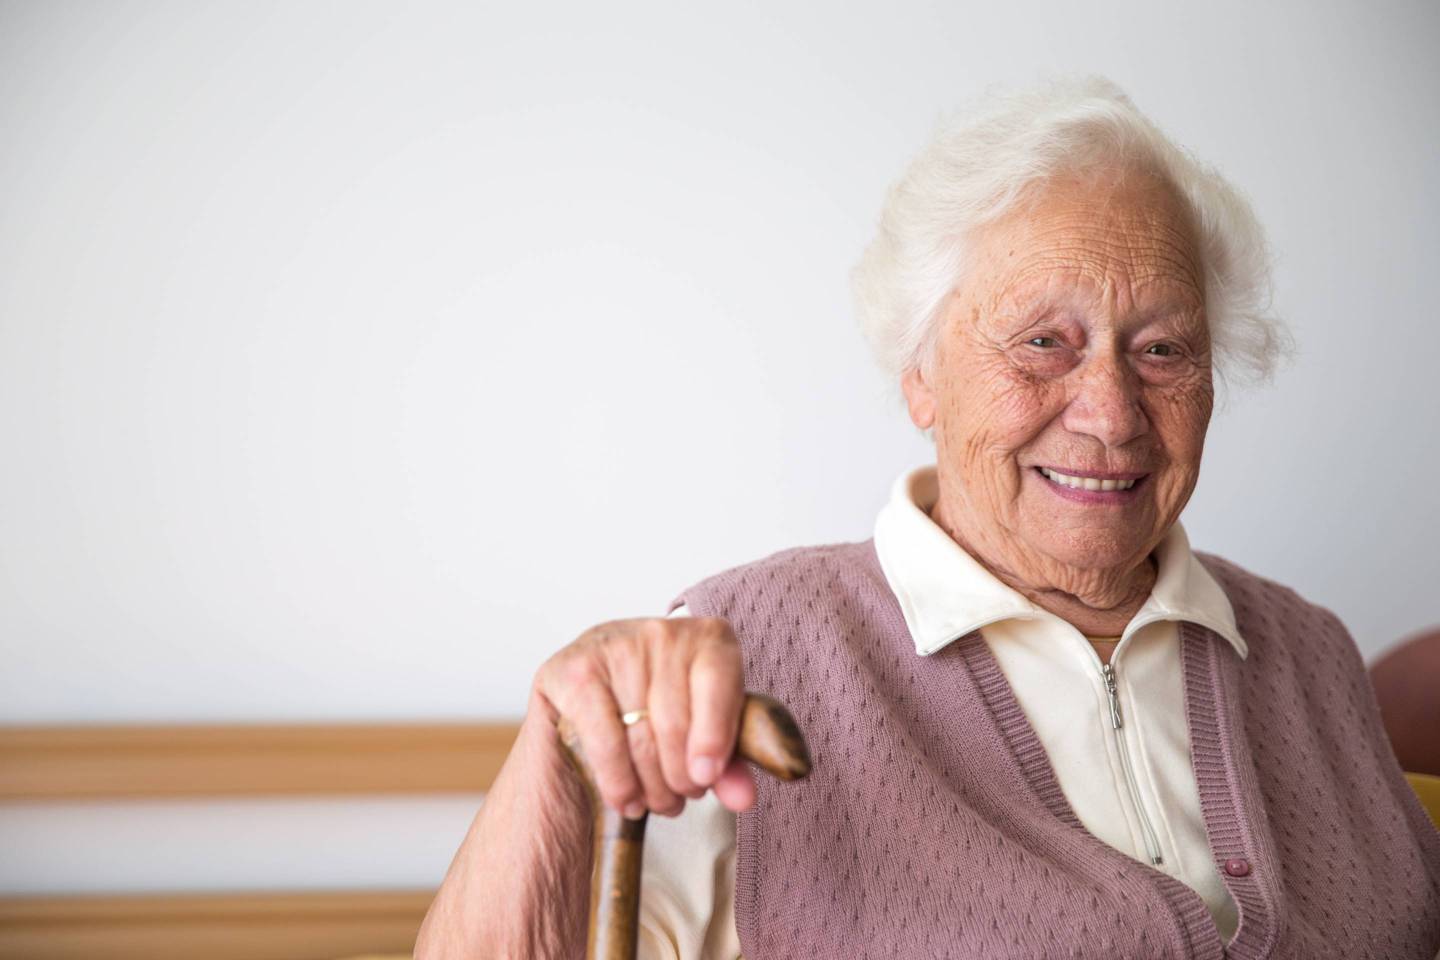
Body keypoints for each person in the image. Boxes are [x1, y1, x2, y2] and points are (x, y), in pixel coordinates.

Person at [415, 76, 1440, 958]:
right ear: (922, 378)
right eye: (1044, 342)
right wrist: (558, 745)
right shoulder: (751, 654)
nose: (1113, 412)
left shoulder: (1308, 656)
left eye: (1163, 349)